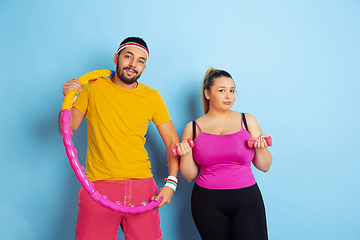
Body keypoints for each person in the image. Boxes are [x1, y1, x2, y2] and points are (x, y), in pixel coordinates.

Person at [58, 37, 180, 240]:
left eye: (140, 61)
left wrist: (171, 184)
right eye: (128, 57)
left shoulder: (152, 97)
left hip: (142, 186)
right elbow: (67, 128)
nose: (133, 64)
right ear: (117, 58)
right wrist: (68, 99)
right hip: (99, 185)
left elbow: (172, 143)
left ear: (144, 67)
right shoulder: (92, 88)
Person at [177, 68, 273, 240]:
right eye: (222, 90)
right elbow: (190, 175)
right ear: (207, 93)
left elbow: (264, 166)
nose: (229, 96)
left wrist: (260, 147)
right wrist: (185, 154)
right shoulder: (192, 128)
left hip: (247, 199)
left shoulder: (247, 120)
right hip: (207, 202)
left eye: (232, 91)